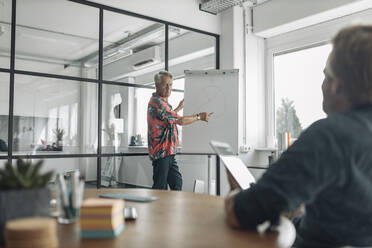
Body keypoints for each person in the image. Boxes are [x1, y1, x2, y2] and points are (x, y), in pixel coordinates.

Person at [225, 25, 372, 248]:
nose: (322, 84)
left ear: (337, 85)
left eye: (326, 75)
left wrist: (235, 194)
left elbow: (242, 213)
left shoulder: (330, 135)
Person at [148, 71, 211, 190]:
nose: (168, 88)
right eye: (165, 84)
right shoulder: (158, 103)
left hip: (169, 152)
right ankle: (158, 208)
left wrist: (178, 108)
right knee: (160, 187)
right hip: (162, 152)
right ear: (156, 85)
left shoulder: (163, 103)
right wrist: (199, 117)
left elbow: (168, 118)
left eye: (170, 85)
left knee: (177, 183)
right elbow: (180, 121)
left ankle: (170, 207)